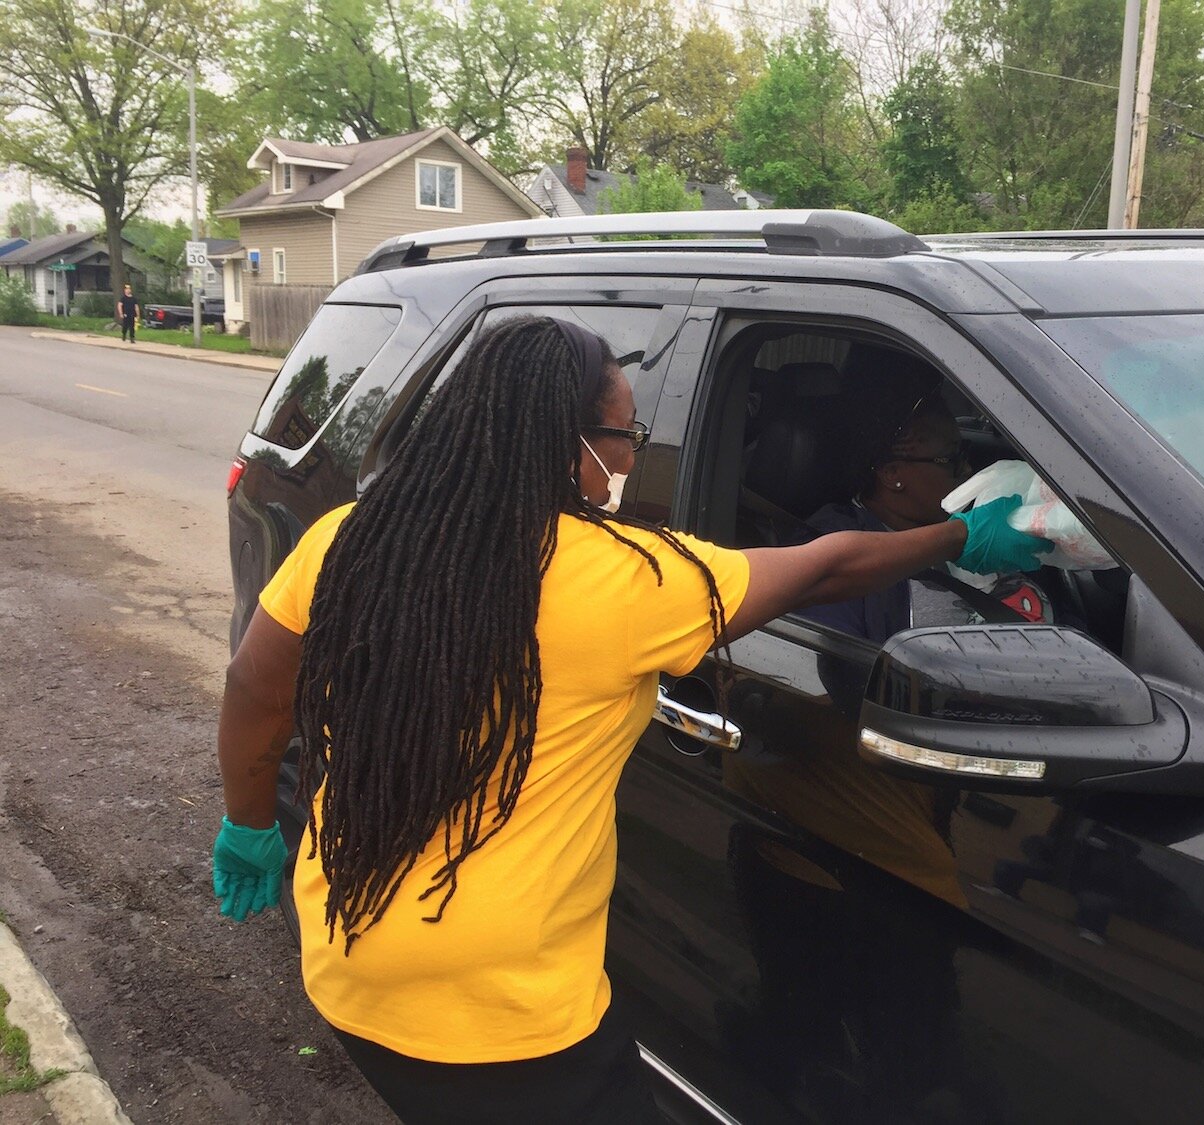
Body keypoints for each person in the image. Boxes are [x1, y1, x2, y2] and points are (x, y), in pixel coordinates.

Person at [212, 315, 1051, 1123]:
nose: (628, 458)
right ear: (570, 446)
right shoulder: (631, 582)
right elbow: (824, 568)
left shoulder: (349, 539)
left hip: (345, 956)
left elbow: (255, 690)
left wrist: (247, 825)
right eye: (625, 437)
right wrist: (957, 538)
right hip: (508, 1017)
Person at [800, 371, 1053, 643]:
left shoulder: (979, 521)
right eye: (951, 459)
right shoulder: (836, 555)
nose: (967, 468)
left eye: (964, 452)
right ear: (892, 474)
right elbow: (840, 669)